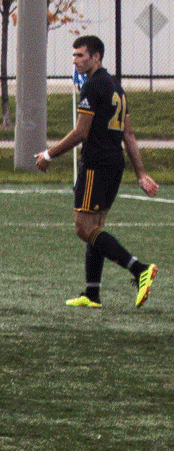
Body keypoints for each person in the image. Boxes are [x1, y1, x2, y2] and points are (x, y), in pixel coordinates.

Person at [35, 34, 161, 309]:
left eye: (81, 55)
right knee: (96, 228)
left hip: (96, 165)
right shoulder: (115, 85)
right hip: (114, 164)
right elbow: (127, 133)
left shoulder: (93, 86)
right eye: (74, 55)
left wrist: (48, 154)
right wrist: (140, 173)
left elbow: (82, 132)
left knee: (83, 228)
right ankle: (92, 293)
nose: (75, 60)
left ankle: (139, 269)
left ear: (96, 56)